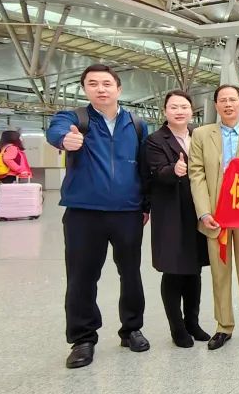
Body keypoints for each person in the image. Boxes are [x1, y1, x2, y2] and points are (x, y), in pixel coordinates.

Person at [45, 64, 150, 369]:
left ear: (118, 89)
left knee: (131, 274)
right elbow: (55, 131)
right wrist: (65, 140)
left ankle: (132, 329)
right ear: (85, 89)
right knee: (82, 277)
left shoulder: (137, 124)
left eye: (107, 83)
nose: (101, 89)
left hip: (127, 212)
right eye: (93, 84)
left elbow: (144, 168)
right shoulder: (74, 119)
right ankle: (83, 339)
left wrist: (146, 205)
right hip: (84, 213)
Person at [188, 84, 239, 350]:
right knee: (220, 272)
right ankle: (223, 326)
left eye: (233, 100)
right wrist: (203, 211)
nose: (228, 104)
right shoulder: (200, 134)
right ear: (216, 105)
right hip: (215, 215)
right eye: (223, 100)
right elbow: (195, 173)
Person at [142, 90, 209, 348]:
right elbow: (155, 173)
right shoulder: (155, 140)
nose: (179, 111)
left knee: (194, 269)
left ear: (192, 111)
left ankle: (193, 322)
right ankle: (177, 327)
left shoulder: (199, 135)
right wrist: (174, 170)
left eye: (184, 107)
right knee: (173, 269)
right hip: (170, 211)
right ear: (165, 111)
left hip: (197, 209)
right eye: (173, 107)